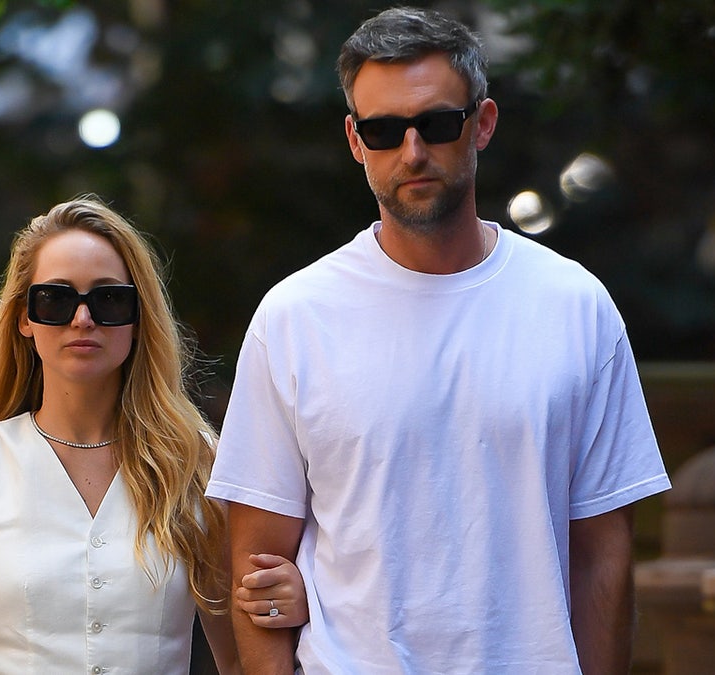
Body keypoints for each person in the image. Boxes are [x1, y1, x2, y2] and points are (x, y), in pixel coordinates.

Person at [206, 7, 671, 674]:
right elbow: (255, 563)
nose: (413, 151)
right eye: (384, 130)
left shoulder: (575, 306)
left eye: (437, 123)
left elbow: (604, 553)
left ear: (481, 124)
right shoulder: (295, 317)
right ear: (355, 140)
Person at [0, 195, 308, 674]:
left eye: (110, 299)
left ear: (138, 317)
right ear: (24, 318)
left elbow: (241, 658)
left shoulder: (196, 463)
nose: (82, 319)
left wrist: (291, 604)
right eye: (56, 299)